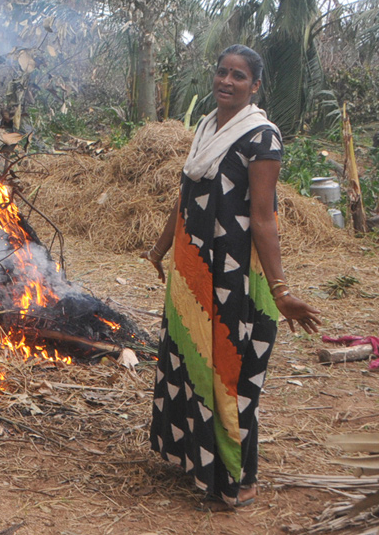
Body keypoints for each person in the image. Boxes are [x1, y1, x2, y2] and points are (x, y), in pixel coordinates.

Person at [141, 44, 322, 510]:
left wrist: (281, 292)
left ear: (255, 86)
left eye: (239, 76)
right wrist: (162, 247)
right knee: (190, 359)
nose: (227, 81)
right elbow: (187, 197)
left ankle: (240, 477)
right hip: (195, 270)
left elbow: (263, 218)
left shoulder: (262, 138)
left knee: (232, 371)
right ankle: (195, 461)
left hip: (235, 276)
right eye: (222, 72)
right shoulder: (206, 127)